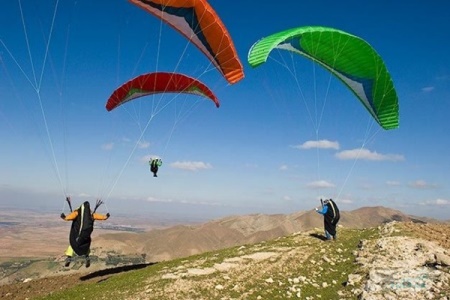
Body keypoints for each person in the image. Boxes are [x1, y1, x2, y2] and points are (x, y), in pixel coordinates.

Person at [60, 197, 110, 267]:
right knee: (85, 245)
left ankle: (69, 258)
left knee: (73, 244)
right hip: (86, 236)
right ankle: (87, 257)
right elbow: (100, 217)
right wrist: (106, 216)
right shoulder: (91, 214)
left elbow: (70, 217)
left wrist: (64, 217)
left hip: (77, 234)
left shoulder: (77, 212)